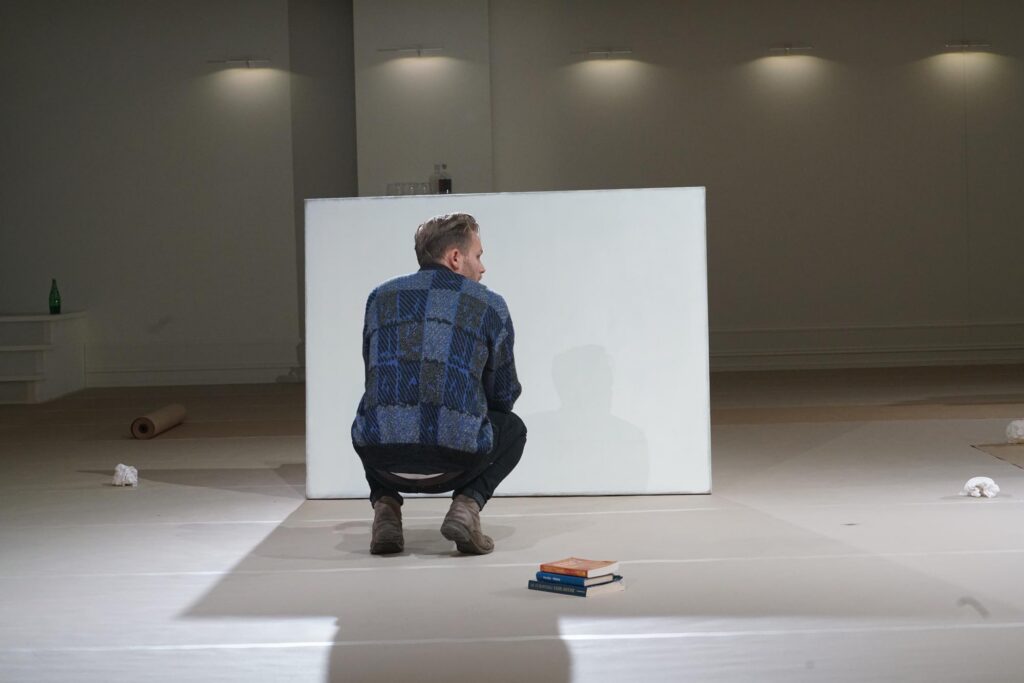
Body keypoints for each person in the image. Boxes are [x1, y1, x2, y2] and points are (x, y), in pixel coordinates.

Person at [351, 212, 526, 555]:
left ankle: (386, 509)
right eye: (478, 255)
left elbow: (373, 374)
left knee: (376, 415)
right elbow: (504, 394)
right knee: (514, 430)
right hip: (456, 462)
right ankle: (467, 506)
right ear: (456, 258)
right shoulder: (490, 305)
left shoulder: (379, 297)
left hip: (383, 463)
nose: (483, 267)